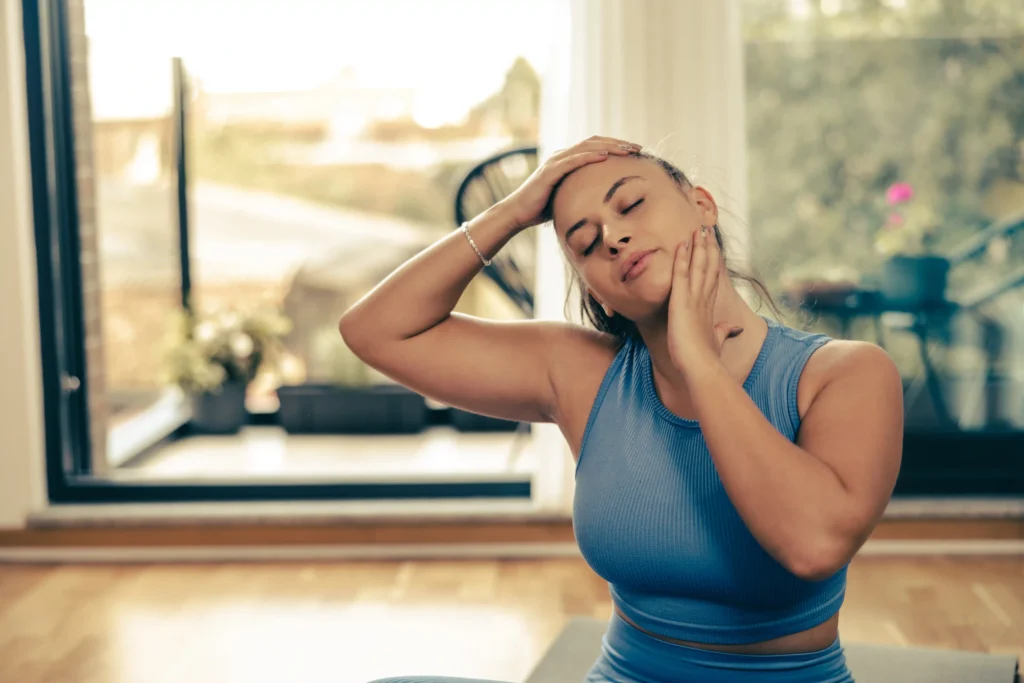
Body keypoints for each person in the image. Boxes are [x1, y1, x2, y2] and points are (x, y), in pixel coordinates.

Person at [341, 136, 904, 683]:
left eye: (631, 203)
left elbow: (813, 546)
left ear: (701, 205)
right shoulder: (581, 374)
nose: (612, 237)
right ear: (598, 293)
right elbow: (376, 332)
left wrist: (699, 365)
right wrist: (513, 212)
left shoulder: (843, 374)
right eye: (584, 244)